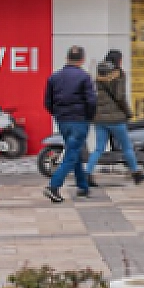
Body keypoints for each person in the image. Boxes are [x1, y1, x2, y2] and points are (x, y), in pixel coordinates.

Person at [42, 46, 97, 203]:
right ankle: (53, 186)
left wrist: (58, 114)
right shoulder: (84, 77)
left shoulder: (54, 77)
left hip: (63, 121)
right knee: (71, 155)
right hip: (79, 121)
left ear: (67, 58)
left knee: (75, 152)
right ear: (82, 60)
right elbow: (91, 101)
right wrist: (89, 117)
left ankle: (83, 186)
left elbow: (47, 102)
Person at [85, 49, 144, 188]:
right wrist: (128, 113)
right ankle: (136, 173)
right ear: (118, 60)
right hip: (116, 118)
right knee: (126, 147)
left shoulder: (98, 72)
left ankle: (87, 173)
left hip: (99, 118)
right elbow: (120, 97)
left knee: (98, 148)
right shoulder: (119, 74)